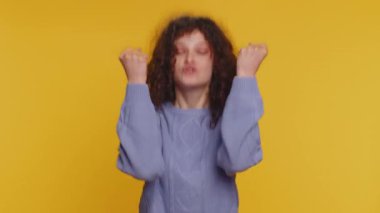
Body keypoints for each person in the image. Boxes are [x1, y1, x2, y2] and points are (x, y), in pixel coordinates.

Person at [116, 15, 268, 213]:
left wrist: (246, 77)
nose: (189, 59)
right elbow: (144, 167)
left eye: (202, 51)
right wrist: (136, 83)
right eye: (179, 51)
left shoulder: (229, 116)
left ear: (217, 62)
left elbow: (237, 160)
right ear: (167, 62)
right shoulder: (154, 116)